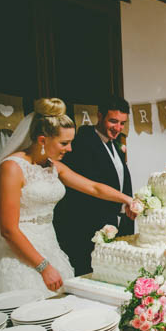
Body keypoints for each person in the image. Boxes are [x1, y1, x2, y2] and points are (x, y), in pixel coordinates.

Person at [0, 98, 135, 299]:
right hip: (19, 252)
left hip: (50, 244)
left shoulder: (52, 165)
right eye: (64, 143)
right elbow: (8, 230)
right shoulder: (11, 168)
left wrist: (128, 200)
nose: (70, 149)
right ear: (43, 140)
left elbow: (93, 187)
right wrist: (43, 266)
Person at [53, 96, 133, 276]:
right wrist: (124, 203)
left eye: (122, 123)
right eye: (113, 121)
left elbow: (120, 180)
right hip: (87, 227)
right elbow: (91, 188)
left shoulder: (116, 145)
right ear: (100, 116)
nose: (118, 128)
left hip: (114, 224)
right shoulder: (83, 141)